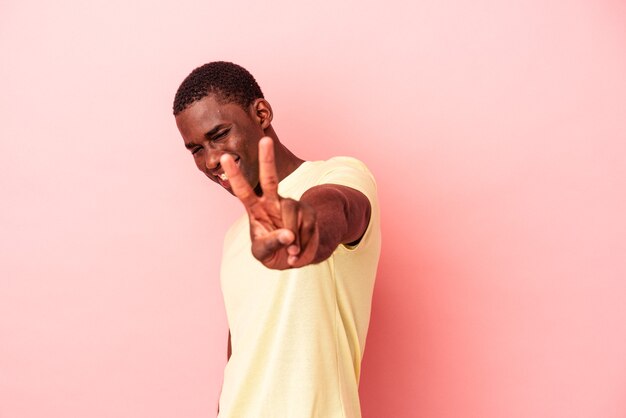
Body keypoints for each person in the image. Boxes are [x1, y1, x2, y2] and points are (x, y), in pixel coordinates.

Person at [173, 61, 381, 418]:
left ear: (262, 113)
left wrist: (304, 225)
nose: (210, 161)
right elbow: (242, 355)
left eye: (219, 134)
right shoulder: (237, 236)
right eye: (196, 149)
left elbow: (339, 210)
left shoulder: (339, 174)